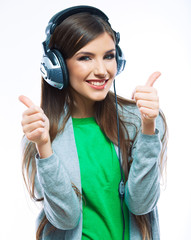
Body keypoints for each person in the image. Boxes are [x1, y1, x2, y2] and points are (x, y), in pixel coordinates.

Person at [19, 5, 167, 240]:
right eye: (85, 58)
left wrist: (149, 128)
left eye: (109, 56)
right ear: (56, 67)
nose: (102, 70)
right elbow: (65, 217)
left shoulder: (139, 121)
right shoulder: (38, 135)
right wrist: (44, 147)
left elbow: (141, 204)